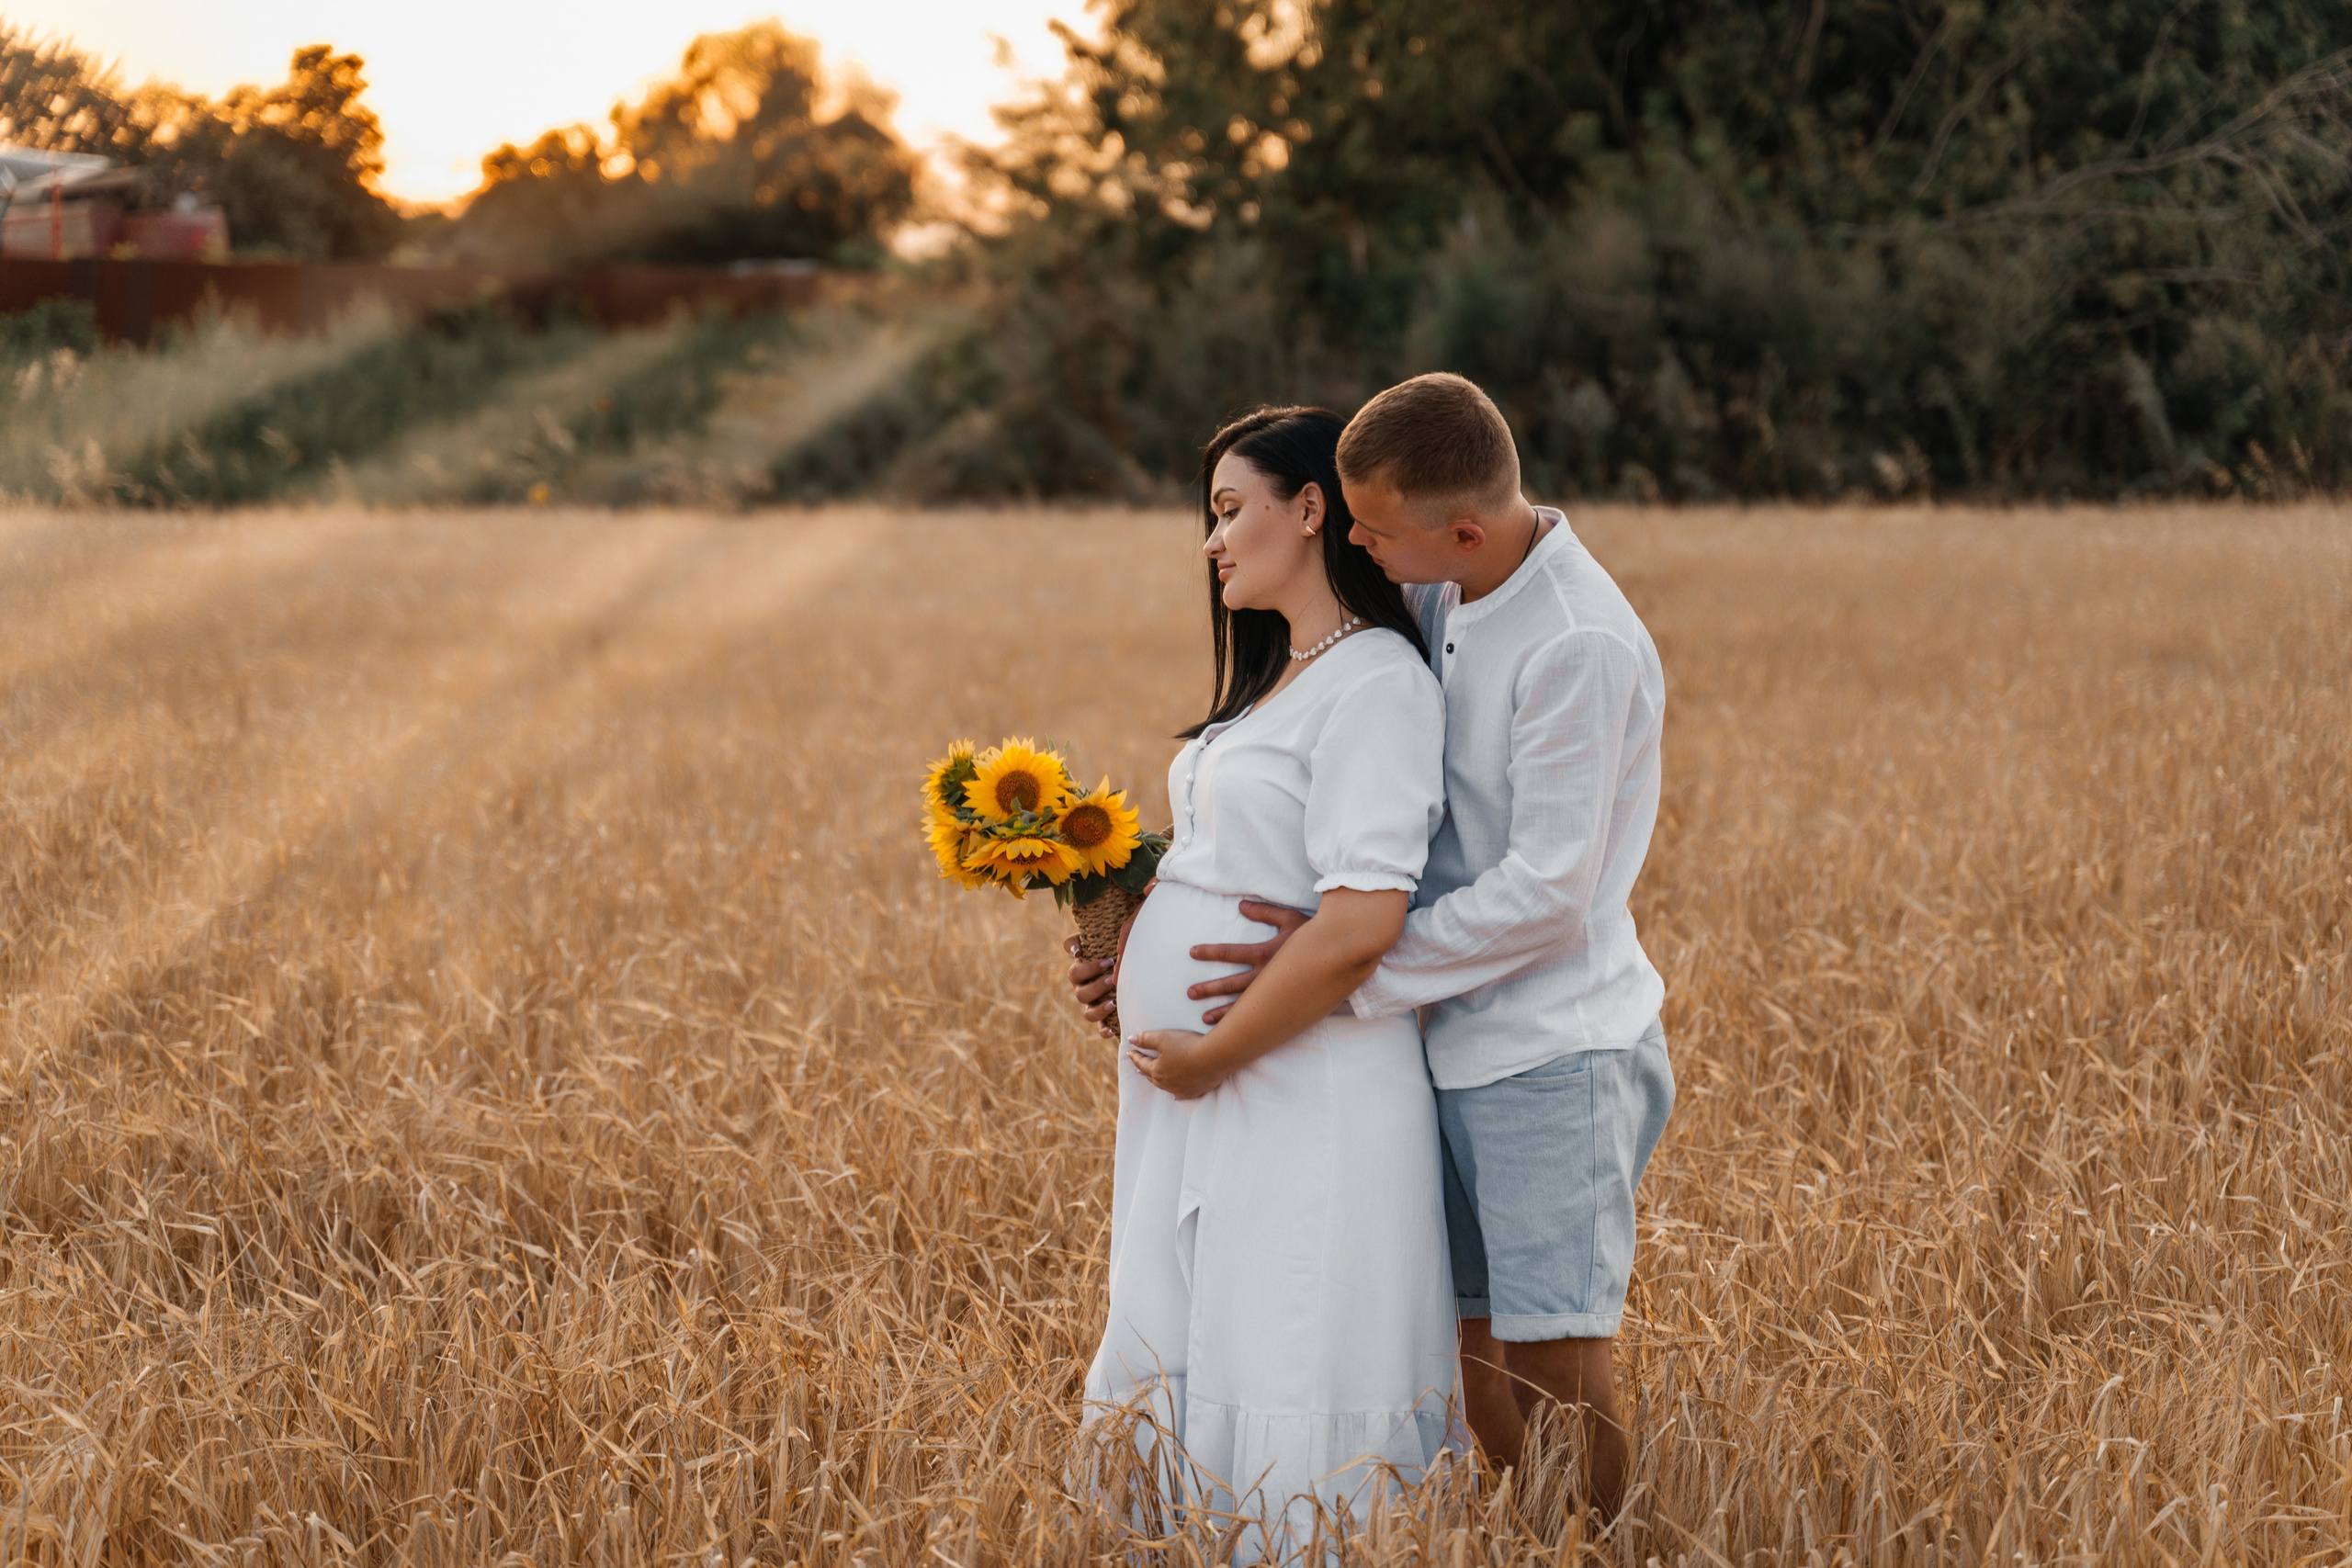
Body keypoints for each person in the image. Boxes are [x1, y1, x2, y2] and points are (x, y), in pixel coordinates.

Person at [1070, 374, 1672, 1521]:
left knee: (1552, 1354)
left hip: (1550, 1051)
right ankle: (1523, 1538)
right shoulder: (1443, 591)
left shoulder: (1576, 642)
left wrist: (1327, 975)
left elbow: (1547, 894)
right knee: (1469, 1342)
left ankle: (1599, 1548)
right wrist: (1134, 916)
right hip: (1436, 1041)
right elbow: (1292, 806)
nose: (1352, 542)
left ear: (1461, 529)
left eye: (1372, 530)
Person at [1080, 405, 1463, 1555]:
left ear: (1311, 509)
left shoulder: (1377, 683)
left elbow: (1359, 921)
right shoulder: (1274, 682)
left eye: (1229, 510)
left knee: (1290, 1334)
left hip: (1302, 1082)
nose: (1212, 543)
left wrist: (1210, 1051)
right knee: (1211, 1327)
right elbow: (1246, 863)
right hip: (1208, 1086)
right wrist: (1131, 935)